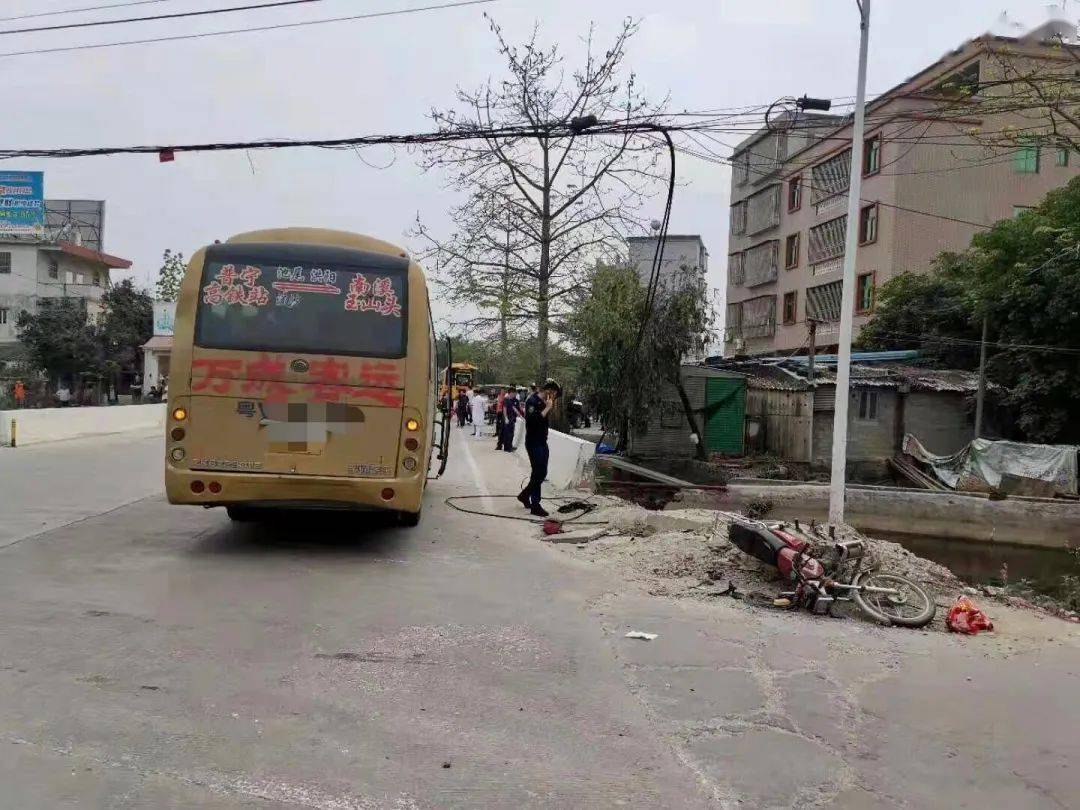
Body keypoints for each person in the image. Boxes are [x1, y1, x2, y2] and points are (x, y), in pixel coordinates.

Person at [518, 379, 559, 517]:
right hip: (533, 442)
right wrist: (547, 408)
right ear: (549, 391)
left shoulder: (543, 402)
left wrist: (547, 406)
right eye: (554, 394)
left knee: (542, 473)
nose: (554, 397)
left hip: (542, 441)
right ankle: (535, 505)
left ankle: (525, 495)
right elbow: (532, 420)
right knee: (537, 473)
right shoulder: (532, 401)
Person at [502, 386, 522, 452]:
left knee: (511, 433)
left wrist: (519, 414)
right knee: (508, 433)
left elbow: (514, 408)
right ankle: (507, 448)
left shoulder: (510, 400)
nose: (515, 395)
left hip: (512, 418)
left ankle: (509, 446)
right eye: (514, 393)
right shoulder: (506, 399)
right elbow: (504, 409)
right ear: (511, 393)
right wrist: (506, 418)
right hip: (508, 418)